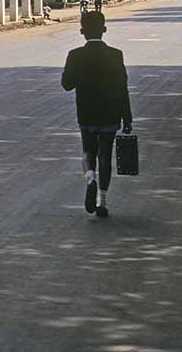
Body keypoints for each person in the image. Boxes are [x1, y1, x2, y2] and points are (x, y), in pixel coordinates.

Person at [61, 12, 133, 218]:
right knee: (105, 155)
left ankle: (90, 178)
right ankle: (102, 201)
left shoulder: (75, 55)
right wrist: (127, 118)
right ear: (104, 30)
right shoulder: (115, 55)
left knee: (88, 151)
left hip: (86, 114)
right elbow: (122, 88)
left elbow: (66, 85)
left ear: (82, 31)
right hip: (110, 114)